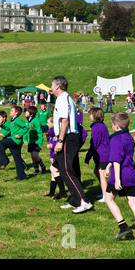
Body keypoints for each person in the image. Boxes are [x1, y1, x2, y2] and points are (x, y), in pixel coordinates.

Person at [51, 76, 92, 214]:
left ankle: (83, 201)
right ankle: (75, 200)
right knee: (73, 168)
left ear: (57, 86)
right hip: (70, 137)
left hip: (68, 137)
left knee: (66, 170)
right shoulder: (66, 98)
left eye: (52, 85)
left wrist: (60, 141)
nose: (51, 88)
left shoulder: (62, 99)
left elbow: (65, 121)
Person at [104, 112, 135, 241]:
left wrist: (117, 179)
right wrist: (108, 165)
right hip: (132, 174)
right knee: (133, 204)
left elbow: (117, 160)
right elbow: (123, 155)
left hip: (121, 175)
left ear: (116, 126)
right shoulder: (128, 136)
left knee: (108, 199)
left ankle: (123, 227)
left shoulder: (115, 138)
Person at [0, 105, 28, 181]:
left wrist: (19, 134)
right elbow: (9, 129)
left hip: (16, 141)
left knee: (0, 143)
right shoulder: (12, 120)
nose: (10, 112)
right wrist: (2, 125)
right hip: (14, 141)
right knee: (17, 160)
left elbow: (26, 127)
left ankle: (4, 160)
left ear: (16, 113)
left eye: (12, 111)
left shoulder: (17, 120)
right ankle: (21, 176)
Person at [85, 107, 110, 203]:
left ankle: (106, 196)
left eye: (91, 114)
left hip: (102, 155)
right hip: (101, 154)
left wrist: (88, 156)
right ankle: (105, 190)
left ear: (95, 116)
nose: (90, 116)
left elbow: (94, 143)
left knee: (102, 174)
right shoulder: (101, 125)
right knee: (96, 171)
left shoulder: (97, 127)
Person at [44, 117, 67, 199]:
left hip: (58, 155)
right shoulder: (51, 134)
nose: (47, 124)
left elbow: (55, 144)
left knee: (54, 170)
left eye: (48, 123)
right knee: (53, 173)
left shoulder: (55, 133)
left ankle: (62, 192)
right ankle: (52, 192)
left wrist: (52, 146)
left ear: (53, 124)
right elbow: (51, 146)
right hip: (54, 156)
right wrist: (51, 156)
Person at [24, 106, 46, 175]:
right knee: (33, 158)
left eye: (27, 111)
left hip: (36, 142)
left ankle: (43, 167)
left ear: (31, 114)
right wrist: (25, 139)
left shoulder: (36, 121)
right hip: (30, 142)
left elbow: (40, 133)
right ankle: (37, 172)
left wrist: (40, 144)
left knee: (35, 156)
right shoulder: (26, 120)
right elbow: (25, 130)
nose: (25, 112)